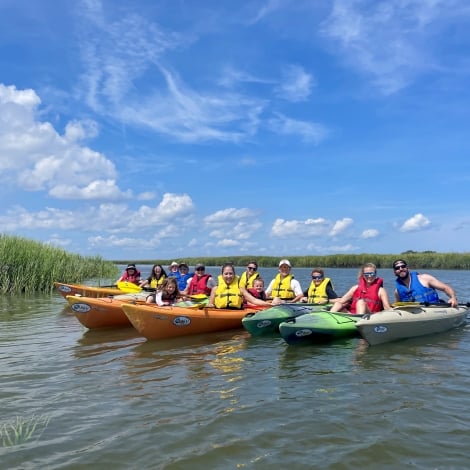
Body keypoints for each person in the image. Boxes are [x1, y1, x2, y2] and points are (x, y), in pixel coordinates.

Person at [392, 259, 458, 308]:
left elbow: (446, 288)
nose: (401, 269)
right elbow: (399, 306)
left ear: (407, 269)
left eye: (403, 266)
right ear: (395, 272)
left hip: (434, 309)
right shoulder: (397, 292)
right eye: (397, 268)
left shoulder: (425, 278)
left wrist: (453, 298)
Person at [207, 263, 272, 308]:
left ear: (234, 275)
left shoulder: (240, 289)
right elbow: (210, 304)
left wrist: (270, 304)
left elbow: (254, 300)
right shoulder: (215, 289)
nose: (228, 276)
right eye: (226, 274)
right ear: (222, 275)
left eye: (231, 274)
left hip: (236, 312)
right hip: (220, 312)